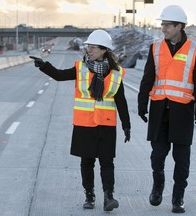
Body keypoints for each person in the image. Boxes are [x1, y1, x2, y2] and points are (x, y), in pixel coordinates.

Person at [30, 29, 131, 212]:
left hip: (106, 124)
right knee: (87, 162)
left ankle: (109, 197)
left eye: (92, 47)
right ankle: (89, 196)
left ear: (103, 50)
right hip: (84, 124)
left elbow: (120, 100)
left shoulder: (116, 73)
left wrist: (126, 125)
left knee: (107, 162)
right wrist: (44, 66)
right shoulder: (81, 68)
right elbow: (60, 76)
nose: (89, 50)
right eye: (88, 47)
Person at [137, 5, 196, 214]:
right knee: (157, 157)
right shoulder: (155, 48)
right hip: (159, 111)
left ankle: (178, 198)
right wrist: (142, 104)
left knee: (182, 161)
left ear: (179, 26)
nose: (163, 28)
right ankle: (158, 186)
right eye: (163, 24)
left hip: (183, 113)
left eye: (167, 25)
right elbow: (148, 77)